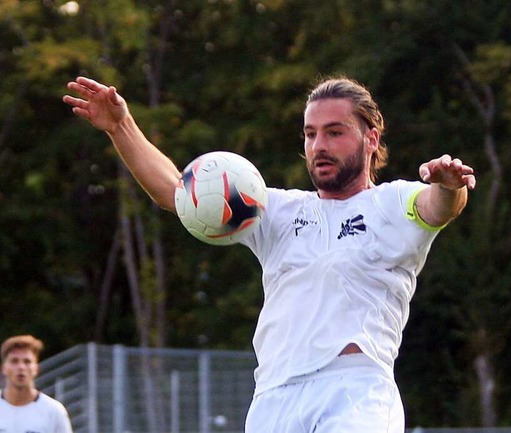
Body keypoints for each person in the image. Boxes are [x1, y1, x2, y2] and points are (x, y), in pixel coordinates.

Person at [63, 75, 476, 432]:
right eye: (311, 134)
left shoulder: (392, 203)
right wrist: (121, 126)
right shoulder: (274, 210)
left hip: (354, 393)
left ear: (371, 138)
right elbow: (177, 194)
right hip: (274, 397)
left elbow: (437, 207)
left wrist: (448, 185)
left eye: (334, 132)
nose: (319, 145)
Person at [0, 335, 74, 433]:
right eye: (14, 361)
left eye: (27, 361)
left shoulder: (54, 411)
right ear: (4, 368)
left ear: (36, 369)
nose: (21, 367)